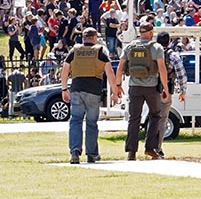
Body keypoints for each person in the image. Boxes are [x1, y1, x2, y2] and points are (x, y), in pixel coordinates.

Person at [59, 27, 118, 164]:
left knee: (75, 121)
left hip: (77, 89)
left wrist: (64, 89)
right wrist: (115, 93)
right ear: (95, 38)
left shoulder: (74, 50)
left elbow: (65, 70)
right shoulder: (100, 51)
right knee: (91, 123)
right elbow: (110, 73)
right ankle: (91, 154)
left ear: (84, 37)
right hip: (93, 91)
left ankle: (75, 152)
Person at [116, 21, 169, 161]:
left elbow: (120, 67)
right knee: (155, 116)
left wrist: (117, 84)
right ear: (151, 33)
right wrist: (165, 88)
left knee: (134, 118)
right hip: (152, 88)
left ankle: (131, 152)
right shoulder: (157, 47)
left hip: (134, 87)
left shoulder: (130, 46)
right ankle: (150, 148)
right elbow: (162, 69)